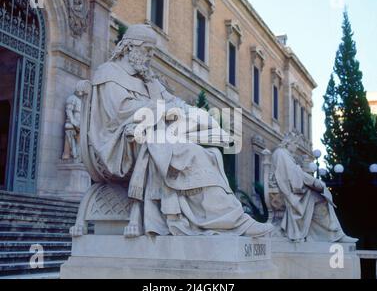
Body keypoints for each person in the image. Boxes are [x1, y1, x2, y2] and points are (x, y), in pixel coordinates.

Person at [88, 24, 274, 238]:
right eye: (146, 50)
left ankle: (226, 219)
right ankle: (230, 221)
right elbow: (119, 112)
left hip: (153, 137)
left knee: (210, 154)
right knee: (190, 154)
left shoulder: (148, 80)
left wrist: (196, 114)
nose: (150, 56)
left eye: (152, 51)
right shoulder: (108, 73)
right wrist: (164, 111)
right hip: (121, 143)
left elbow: (172, 101)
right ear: (130, 47)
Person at [271, 133, 358, 243]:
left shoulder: (285, 155)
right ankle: (334, 235)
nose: (297, 147)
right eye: (296, 143)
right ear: (289, 143)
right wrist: (314, 182)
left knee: (321, 199)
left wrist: (313, 182)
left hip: (295, 192)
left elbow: (295, 174)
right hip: (291, 194)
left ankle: (333, 234)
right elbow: (294, 176)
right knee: (321, 199)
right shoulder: (281, 153)